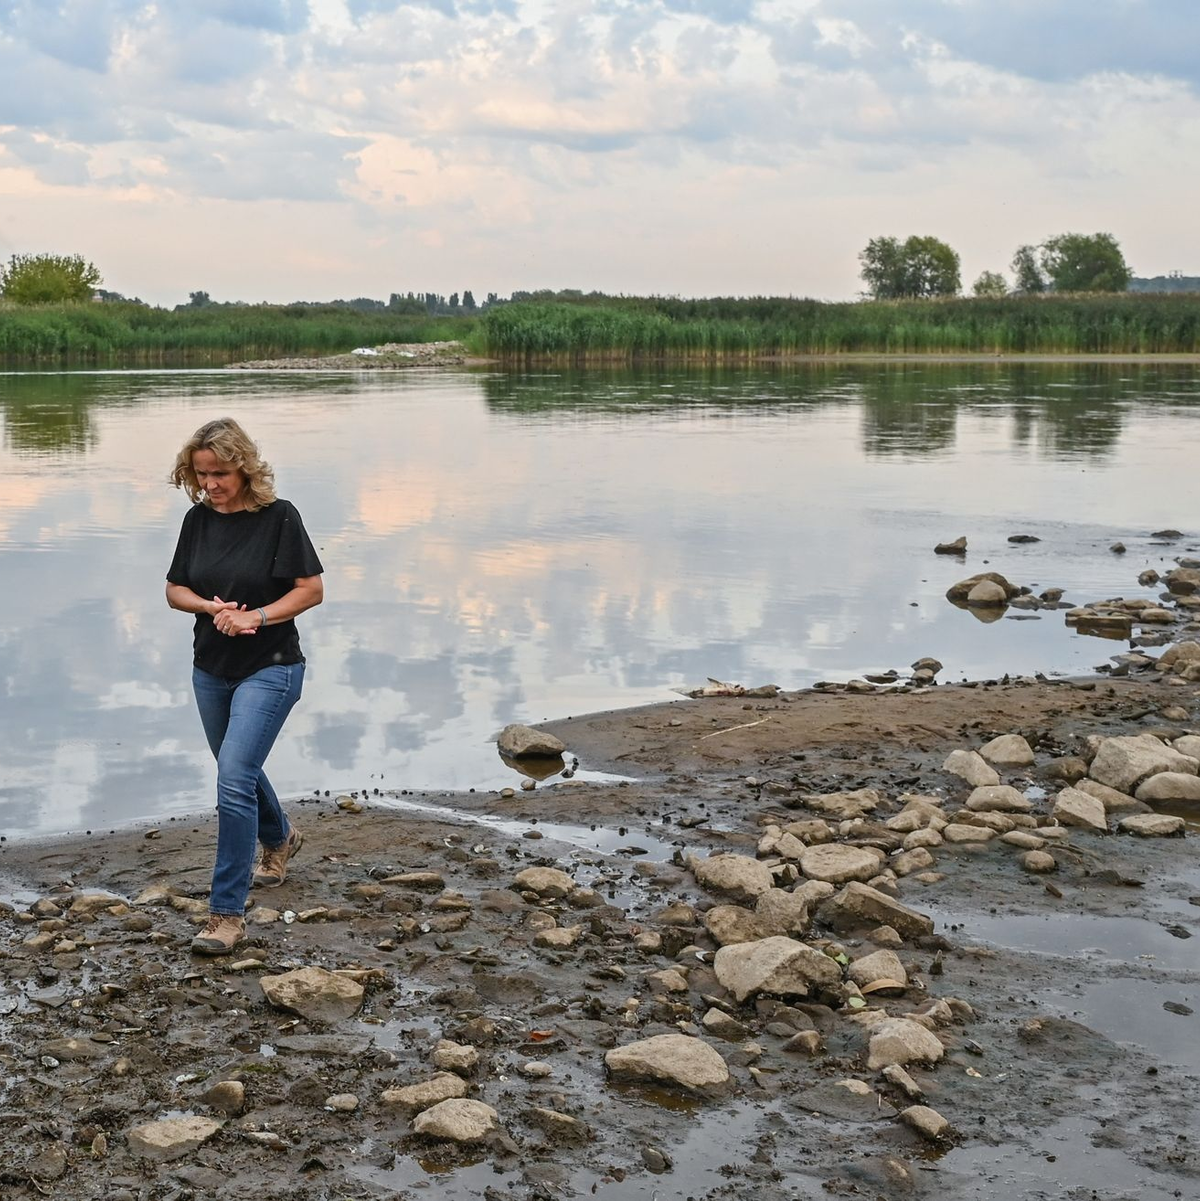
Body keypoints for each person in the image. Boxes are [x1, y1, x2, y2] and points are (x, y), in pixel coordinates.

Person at [166, 418, 324, 955]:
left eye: (220, 473)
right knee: (238, 769)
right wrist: (209, 606)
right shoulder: (197, 520)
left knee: (233, 778)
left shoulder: (280, 518)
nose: (209, 484)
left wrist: (256, 616)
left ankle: (225, 915)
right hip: (210, 667)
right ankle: (280, 837)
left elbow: (310, 591)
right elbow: (174, 589)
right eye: (201, 473)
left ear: (245, 468)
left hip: (272, 666)